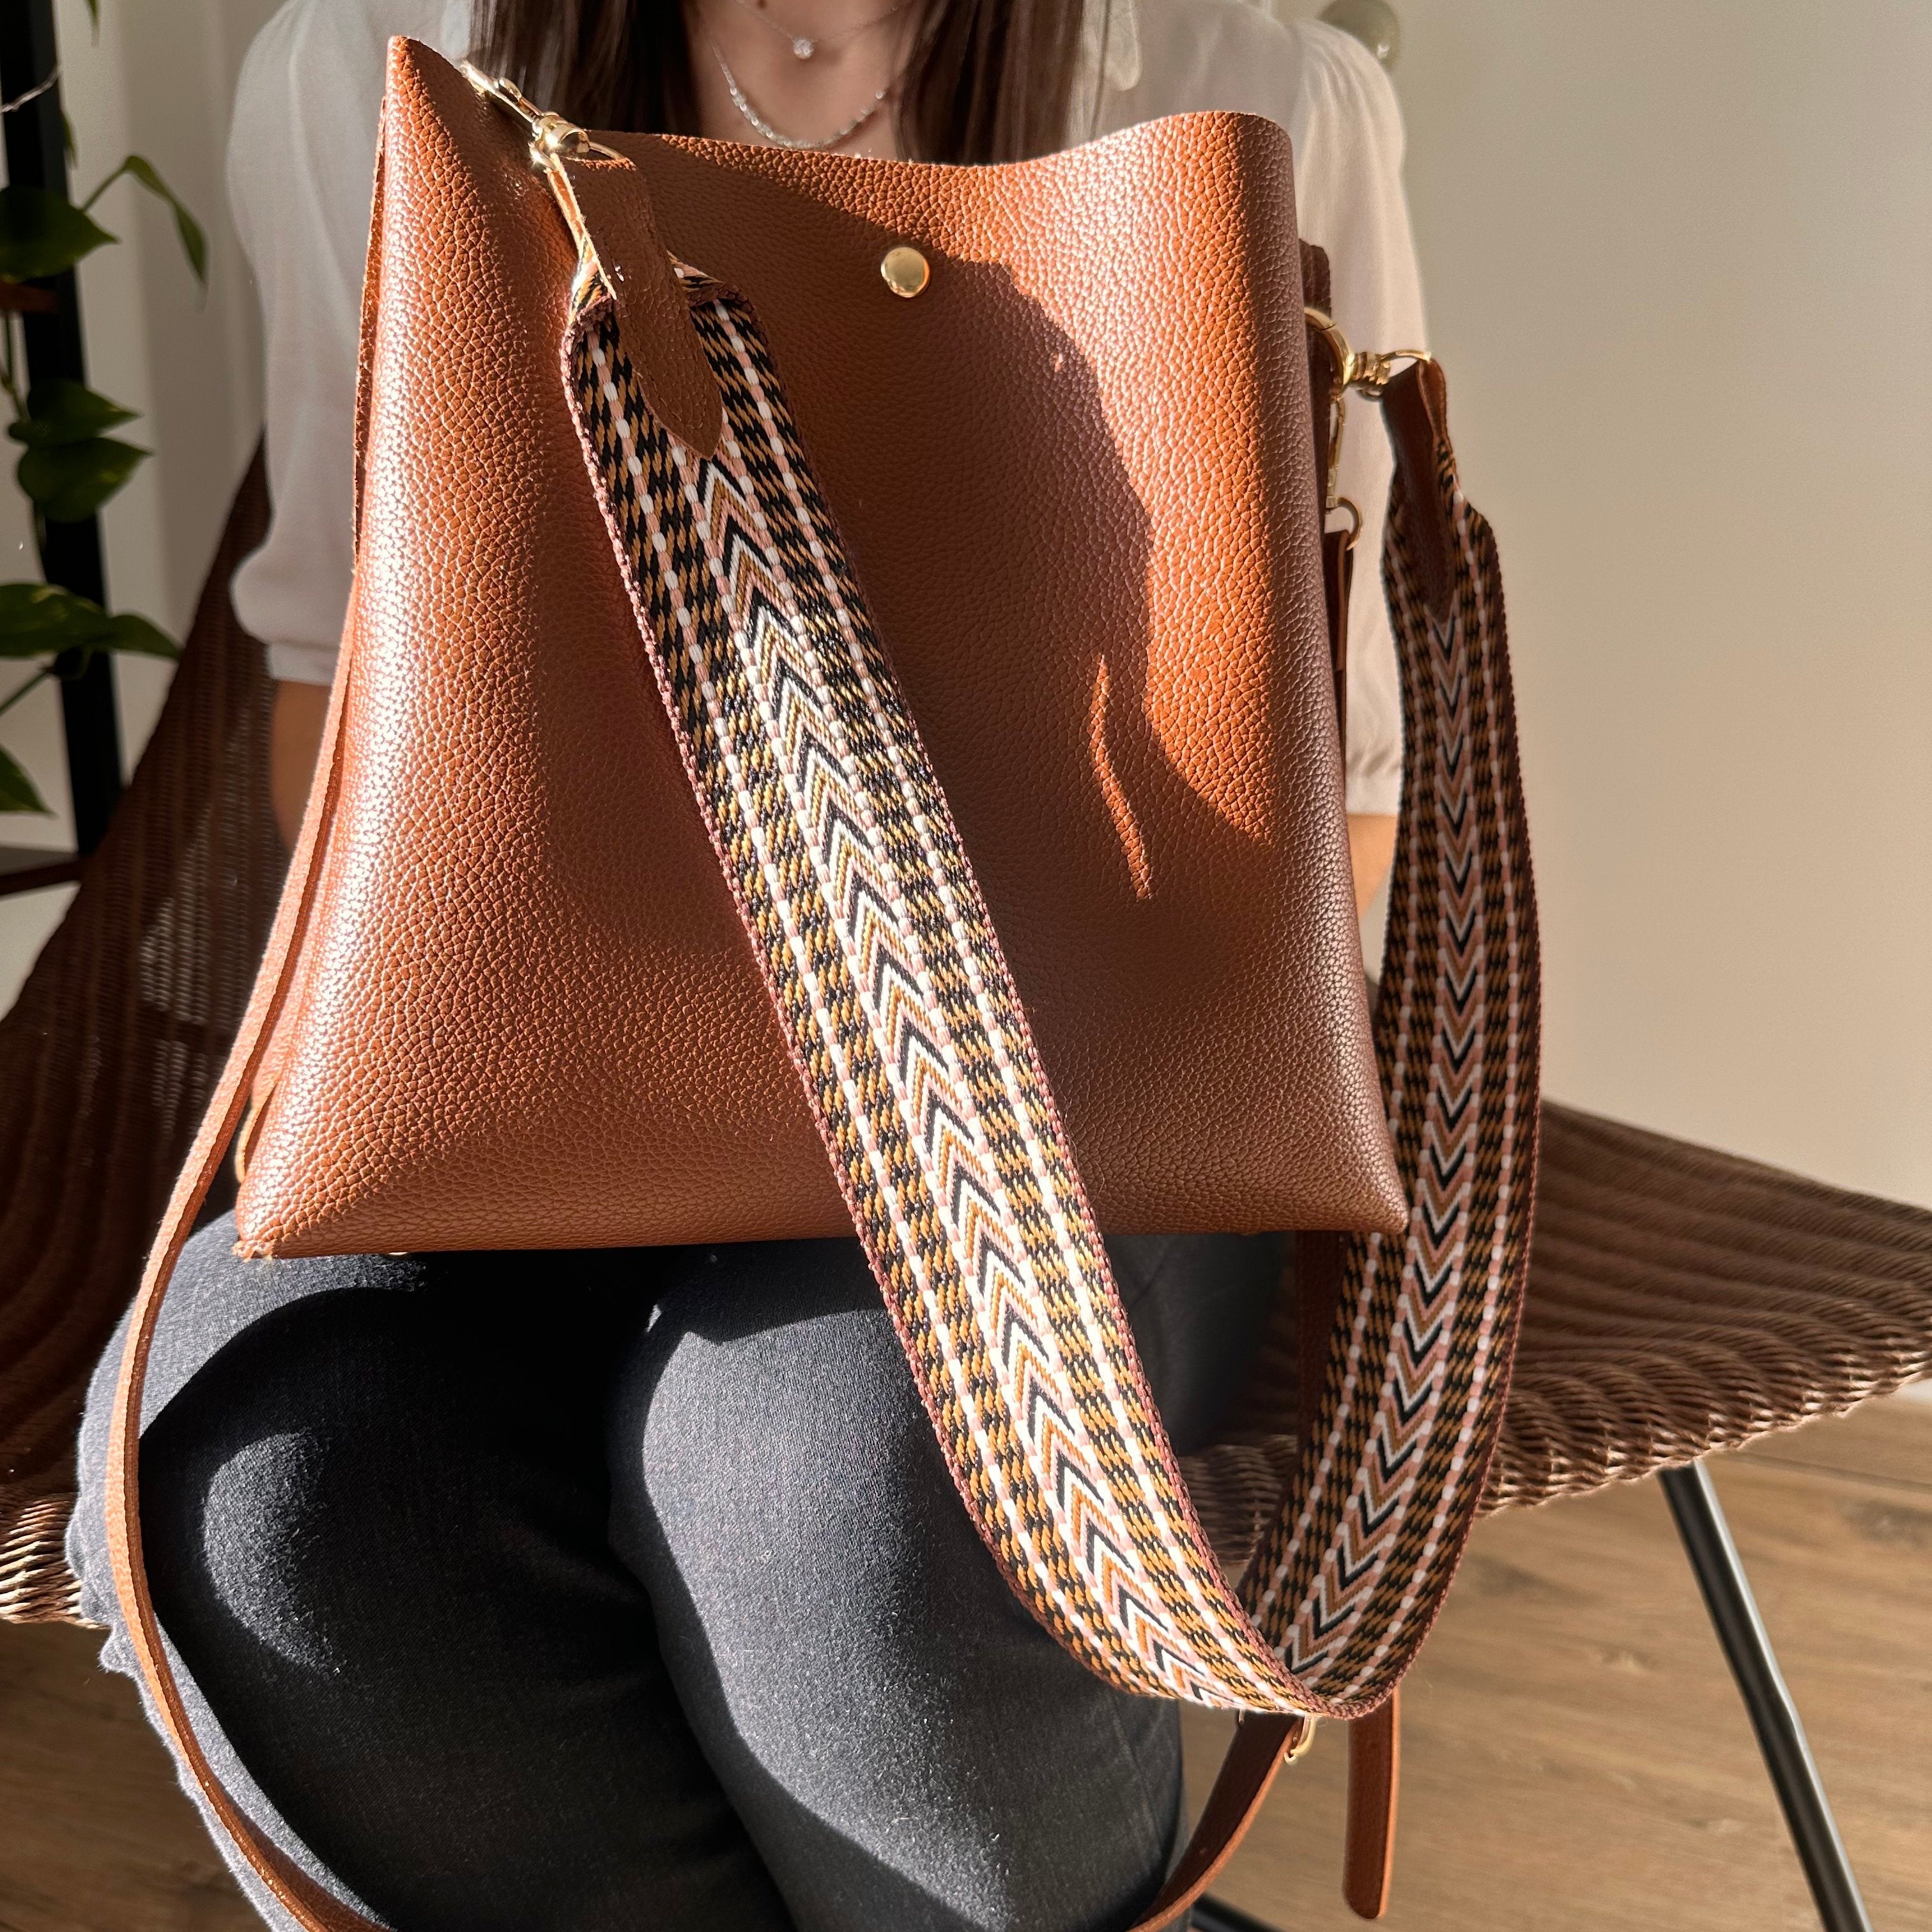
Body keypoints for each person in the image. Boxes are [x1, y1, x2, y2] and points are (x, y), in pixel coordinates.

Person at [69, 3, 1426, 1928]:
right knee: (251, 1482)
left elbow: (1339, 797)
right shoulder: (372, 56)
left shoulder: (1257, 92)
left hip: (1069, 1097)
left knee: (836, 1516)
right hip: (528, 1062)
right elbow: (329, 679)